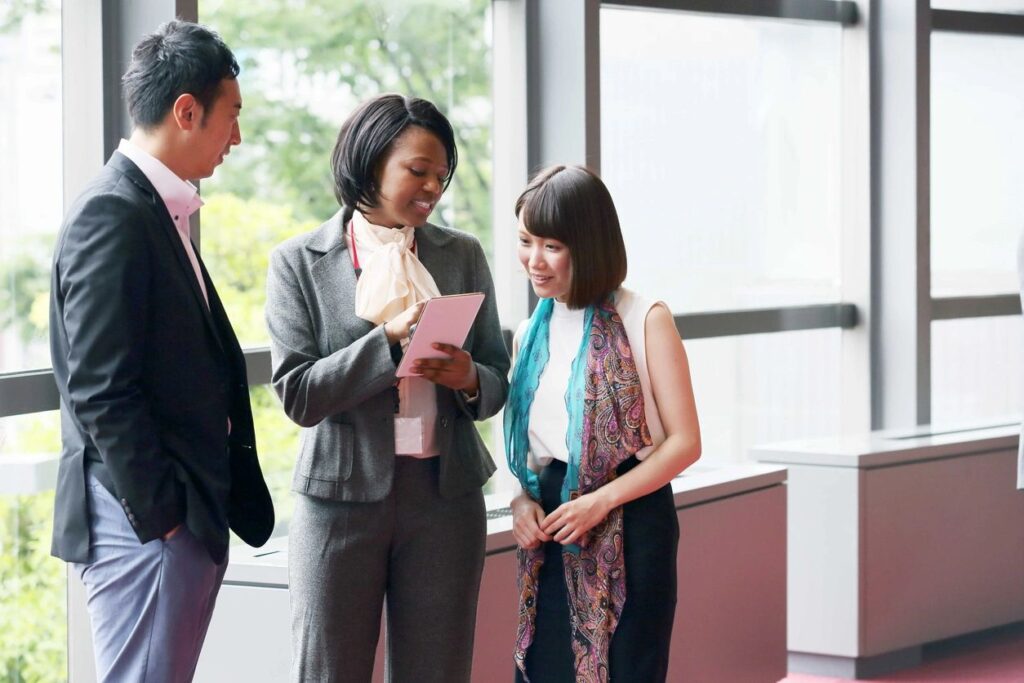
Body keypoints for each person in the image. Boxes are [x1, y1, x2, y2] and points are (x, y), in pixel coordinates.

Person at [48, 20, 274, 683]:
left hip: (176, 518)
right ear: (186, 111)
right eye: (231, 117)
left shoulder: (154, 209)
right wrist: (165, 517)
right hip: (141, 523)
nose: (237, 137)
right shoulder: (111, 213)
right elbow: (99, 387)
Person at [265, 93, 509, 683]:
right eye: (418, 171)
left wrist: (469, 378)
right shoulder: (298, 261)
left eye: (442, 176)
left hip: (445, 500)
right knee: (329, 671)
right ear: (372, 162)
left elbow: (499, 379)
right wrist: (388, 344)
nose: (433, 188)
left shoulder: (462, 254)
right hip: (340, 503)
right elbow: (298, 393)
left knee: (439, 671)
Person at [505, 165, 702, 682]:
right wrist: (521, 500)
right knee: (548, 669)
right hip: (555, 523)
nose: (534, 260)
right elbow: (528, 449)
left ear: (588, 244)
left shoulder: (645, 317)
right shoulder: (531, 332)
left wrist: (602, 501)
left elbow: (685, 443)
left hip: (632, 517)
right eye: (526, 241)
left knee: (626, 669)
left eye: (552, 245)